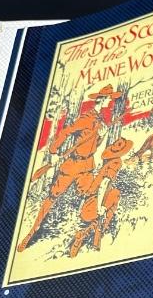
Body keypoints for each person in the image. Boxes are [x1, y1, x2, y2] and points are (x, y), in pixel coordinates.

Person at [18, 84, 119, 252]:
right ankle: (31, 234)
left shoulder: (100, 121)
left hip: (87, 166)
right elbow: (66, 132)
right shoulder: (86, 118)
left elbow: (93, 146)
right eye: (109, 99)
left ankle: (85, 234)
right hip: (73, 165)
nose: (111, 102)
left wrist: (101, 137)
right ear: (102, 100)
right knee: (52, 197)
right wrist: (53, 151)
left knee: (92, 195)